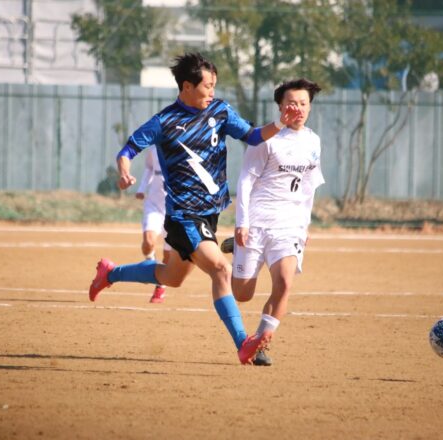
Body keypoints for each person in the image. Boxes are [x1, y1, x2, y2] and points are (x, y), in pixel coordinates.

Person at [88, 52, 296, 364]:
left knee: (171, 277)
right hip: (183, 215)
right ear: (187, 86)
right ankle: (244, 344)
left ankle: (110, 273)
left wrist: (281, 123)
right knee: (221, 269)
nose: (212, 91)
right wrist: (124, 172)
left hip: (208, 215)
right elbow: (127, 150)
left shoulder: (220, 111)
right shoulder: (164, 122)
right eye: (207, 86)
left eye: (214, 85)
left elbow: (253, 136)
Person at [226, 78, 324, 366]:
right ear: (280, 106)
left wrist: (305, 225)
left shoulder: (313, 141)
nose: (298, 109)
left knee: (284, 284)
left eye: (303, 103)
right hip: (256, 223)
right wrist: (242, 223)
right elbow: (245, 181)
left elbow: (309, 187)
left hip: (289, 227)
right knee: (242, 294)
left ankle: (259, 343)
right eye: (292, 103)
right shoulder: (266, 138)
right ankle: (236, 251)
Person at [135, 145, 170, 303]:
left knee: (168, 256)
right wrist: (142, 188)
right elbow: (149, 167)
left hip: (174, 209)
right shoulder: (154, 148)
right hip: (154, 205)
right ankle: (151, 268)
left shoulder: (185, 148)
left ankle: (160, 286)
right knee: (148, 243)